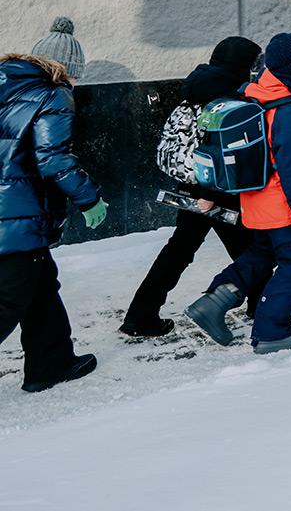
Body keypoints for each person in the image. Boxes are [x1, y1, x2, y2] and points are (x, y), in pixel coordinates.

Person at [185, 33, 291, 354]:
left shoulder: (255, 95)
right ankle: (274, 329)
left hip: (255, 200)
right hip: (282, 204)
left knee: (262, 255)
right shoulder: (288, 109)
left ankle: (213, 302)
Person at [120, 37, 262, 338]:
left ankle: (140, 315)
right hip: (218, 190)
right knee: (250, 248)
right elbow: (221, 149)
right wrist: (210, 195)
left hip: (188, 183)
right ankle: (259, 305)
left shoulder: (195, 88)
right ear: (242, 67)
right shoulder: (229, 97)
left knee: (180, 250)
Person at [0, 20, 106, 393]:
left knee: (42, 284)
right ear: (66, 70)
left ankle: (51, 363)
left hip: (12, 207)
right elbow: (53, 159)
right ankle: (50, 362)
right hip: (15, 213)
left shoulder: (5, 82)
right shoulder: (53, 94)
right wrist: (89, 198)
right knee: (9, 298)